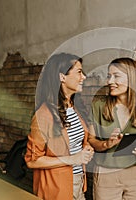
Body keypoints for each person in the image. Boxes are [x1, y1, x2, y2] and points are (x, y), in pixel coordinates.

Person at [24, 53, 94, 200]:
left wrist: (86, 148)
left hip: (79, 182)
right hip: (57, 189)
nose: (84, 77)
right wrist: (72, 159)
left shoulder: (76, 108)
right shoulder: (43, 115)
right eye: (79, 72)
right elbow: (32, 160)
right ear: (62, 77)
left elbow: (76, 142)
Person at [88, 57, 136, 200]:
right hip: (106, 174)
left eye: (116, 76)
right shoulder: (98, 106)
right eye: (109, 76)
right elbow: (90, 140)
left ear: (132, 79)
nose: (109, 82)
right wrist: (107, 144)